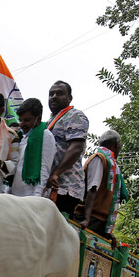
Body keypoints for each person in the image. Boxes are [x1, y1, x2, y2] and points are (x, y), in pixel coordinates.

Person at [44, 81, 89, 216]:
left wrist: (56, 173)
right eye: (51, 94)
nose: (54, 97)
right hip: (50, 185)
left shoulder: (74, 115)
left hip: (66, 186)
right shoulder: (49, 122)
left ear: (70, 98)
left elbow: (76, 147)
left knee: (55, 231)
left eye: (60, 93)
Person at [80, 129, 127, 237]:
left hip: (101, 221)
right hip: (91, 217)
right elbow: (93, 188)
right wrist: (86, 219)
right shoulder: (99, 159)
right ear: (116, 145)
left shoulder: (113, 166)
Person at [9, 98, 55, 197]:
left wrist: (37, 196)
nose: (22, 124)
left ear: (38, 118)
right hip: (15, 194)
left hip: (31, 195)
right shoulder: (21, 136)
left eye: (27, 120)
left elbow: (44, 168)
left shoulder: (45, 135)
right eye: (20, 120)